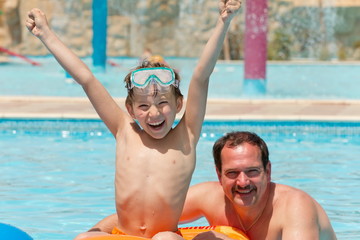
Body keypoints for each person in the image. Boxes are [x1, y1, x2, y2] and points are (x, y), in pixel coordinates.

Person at [25, 1, 241, 239]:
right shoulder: (124, 131)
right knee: (83, 239)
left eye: (163, 103)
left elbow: (201, 76)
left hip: (166, 236)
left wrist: (223, 22)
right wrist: (45, 34)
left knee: (164, 238)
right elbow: (86, 79)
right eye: (144, 106)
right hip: (122, 235)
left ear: (179, 104)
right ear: (130, 109)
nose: (154, 113)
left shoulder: (186, 136)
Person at [86, 131, 337, 240]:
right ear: (219, 175)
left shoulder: (294, 207)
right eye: (232, 173)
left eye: (252, 172)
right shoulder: (210, 196)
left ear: (268, 171)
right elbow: (142, 216)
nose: (243, 182)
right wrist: (95, 231)